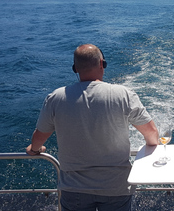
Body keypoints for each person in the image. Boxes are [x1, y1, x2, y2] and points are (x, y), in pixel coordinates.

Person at [26, 44, 159, 211]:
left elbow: (39, 138)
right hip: (116, 188)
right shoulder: (123, 94)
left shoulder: (56, 98)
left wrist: (35, 149)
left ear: (75, 69)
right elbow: (152, 134)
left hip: (73, 189)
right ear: (102, 64)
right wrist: (150, 148)